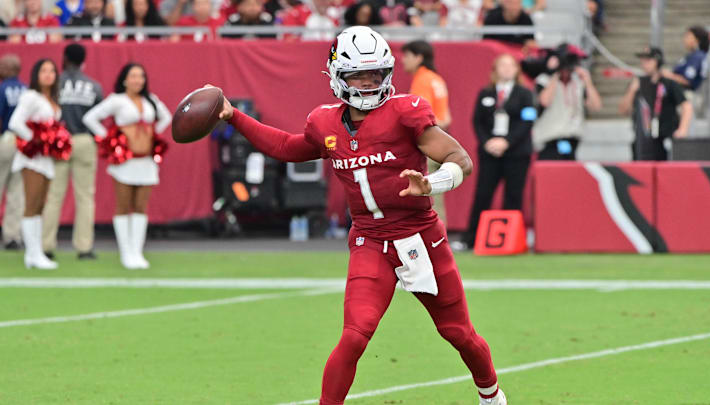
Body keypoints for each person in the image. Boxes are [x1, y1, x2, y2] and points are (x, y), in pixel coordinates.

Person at [208, 26, 507, 405]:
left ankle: (492, 396)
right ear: (337, 76)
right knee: (355, 333)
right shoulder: (324, 123)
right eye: (358, 76)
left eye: (375, 75)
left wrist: (431, 184)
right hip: (370, 240)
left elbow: (460, 159)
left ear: (388, 74)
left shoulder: (405, 111)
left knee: (457, 332)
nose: (367, 84)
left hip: (420, 236)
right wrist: (234, 116)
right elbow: (286, 146)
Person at [83, 63, 171, 269]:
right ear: (124, 79)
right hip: (124, 161)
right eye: (133, 76)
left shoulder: (151, 100)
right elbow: (90, 118)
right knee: (123, 205)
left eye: (141, 76)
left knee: (141, 206)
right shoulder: (117, 100)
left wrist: (153, 134)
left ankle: (137, 252)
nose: (137, 80)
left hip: (146, 160)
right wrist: (110, 139)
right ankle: (125, 252)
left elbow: (166, 116)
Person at [458, 54, 534, 251]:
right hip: (489, 153)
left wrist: (507, 142)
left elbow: (527, 121)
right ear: (495, 69)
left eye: (511, 66)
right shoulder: (486, 93)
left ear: (517, 70)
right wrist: (488, 142)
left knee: (513, 195)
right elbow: (477, 122)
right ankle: (471, 238)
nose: (507, 69)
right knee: (483, 194)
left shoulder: (525, 94)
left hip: (517, 153)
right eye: (503, 65)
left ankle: (510, 239)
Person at [9, 59, 72, 269]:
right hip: (32, 159)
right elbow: (15, 122)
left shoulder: (52, 98)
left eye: (52, 71)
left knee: (40, 206)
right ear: (36, 74)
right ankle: (32, 254)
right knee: (32, 204)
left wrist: (53, 144)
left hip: (46, 159)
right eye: (43, 70)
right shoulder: (30, 96)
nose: (48, 74)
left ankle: (36, 253)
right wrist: (34, 142)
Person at [42, 44, 104, 261]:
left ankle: (46, 246)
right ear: (83, 60)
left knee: (53, 195)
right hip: (84, 139)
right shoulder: (94, 86)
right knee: (85, 196)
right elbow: (99, 116)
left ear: (65, 58)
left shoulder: (54, 84)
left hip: (59, 139)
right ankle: (84, 247)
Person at [402, 40, 451, 224]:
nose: (403, 60)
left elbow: (419, 118)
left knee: (425, 195)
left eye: (407, 55)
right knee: (436, 194)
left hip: (427, 143)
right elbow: (446, 118)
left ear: (419, 57)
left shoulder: (422, 79)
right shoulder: (436, 78)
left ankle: (433, 239)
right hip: (441, 140)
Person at [618, 47, 692, 161]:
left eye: (648, 60)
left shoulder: (668, 82)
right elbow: (623, 110)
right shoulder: (638, 82)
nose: (644, 64)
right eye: (642, 61)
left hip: (664, 137)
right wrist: (631, 91)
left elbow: (686, 106)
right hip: (642, 140)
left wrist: (682, 129)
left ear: (658, 62)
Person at [533, 43, 602, 160]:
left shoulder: (578, 82)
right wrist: (555, 73)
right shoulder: (544, 80)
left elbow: (596, 106)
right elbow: (545, 101)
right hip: (549, 138)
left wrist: (588, 82)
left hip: (572, 137)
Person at [0, 54, 26, 251]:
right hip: (23, 141)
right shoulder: (26, 90)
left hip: (6, 138)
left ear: (9, 69)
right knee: (17, 191)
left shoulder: (2, 88)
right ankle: (12, 236)